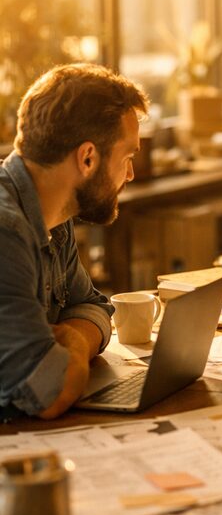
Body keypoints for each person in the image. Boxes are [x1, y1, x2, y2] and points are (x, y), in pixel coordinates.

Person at [0, 64, 149, 420]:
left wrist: (72, 343)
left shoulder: (55, 216)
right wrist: (71, 355)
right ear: (87, 158)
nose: (129, 174)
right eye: (127, 157)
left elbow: (95, 308)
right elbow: (50, 394)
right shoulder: (6, 231)